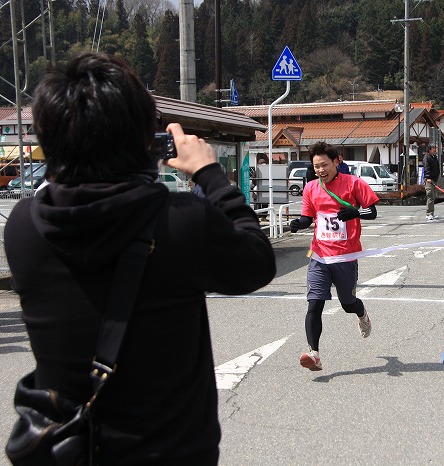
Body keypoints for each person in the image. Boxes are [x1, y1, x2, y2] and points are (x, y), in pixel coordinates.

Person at [5, 52, 276, 465]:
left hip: (73, 451)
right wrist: (208, 172)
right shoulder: (182, 222)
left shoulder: (25, 227)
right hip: (171, 452)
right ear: (142, 140)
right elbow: (257, 261)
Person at [289, 141, 379, 371]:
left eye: (324, 165)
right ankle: (314, 353)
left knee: (348, 304)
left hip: (345, 256)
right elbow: (308, 217)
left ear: (336, 161)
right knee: (314, 304)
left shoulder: (354, 183)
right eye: (316, 166)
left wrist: (355, 212)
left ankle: (362, 314)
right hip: (319, 254)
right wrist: (299, 224)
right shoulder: (311, 188)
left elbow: (373, 211)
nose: (320, 170)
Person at [422, 143, 439, 220]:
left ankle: (432, 212)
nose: (435, 149)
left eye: (435, 148)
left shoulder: (434, 157)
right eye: (433, 148)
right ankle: (429, 213)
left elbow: (437, 168)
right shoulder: (427, 157)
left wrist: (436, 179)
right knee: (430, 196)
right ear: (429, 149)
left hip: (434, 179)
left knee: (433, 197)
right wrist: (428, 177)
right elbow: (427, 168)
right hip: (429, 179)